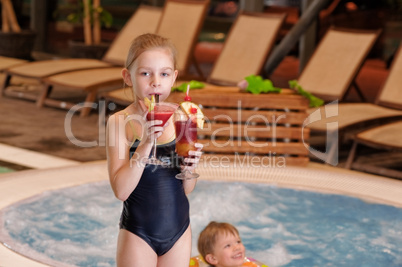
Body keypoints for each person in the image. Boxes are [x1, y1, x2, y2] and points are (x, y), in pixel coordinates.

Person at [106, 33, 203, 267]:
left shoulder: (182, 117)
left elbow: (186, 189)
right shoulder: (120, 122)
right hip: (138, 233)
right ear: (128, 77)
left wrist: (190, 168)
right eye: (145, 73)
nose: (155, 82)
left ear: (174, 78)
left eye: (164, 73)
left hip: (179, 230)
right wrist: (147, 142)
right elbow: (121, 191)